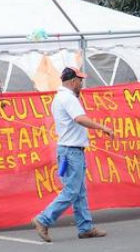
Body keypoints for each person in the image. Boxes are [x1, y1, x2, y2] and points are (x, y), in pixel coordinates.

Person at [32, 67, 113, 242]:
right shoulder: (68, 98)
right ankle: (43, 219)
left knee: (79, 191)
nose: (81, 84)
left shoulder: (59, 97)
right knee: (72, 191)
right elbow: (80, 118)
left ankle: (85, 228)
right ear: (73, 81)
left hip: (69, 151)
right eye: (80, 80)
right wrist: (102, 127)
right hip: (71, 152)